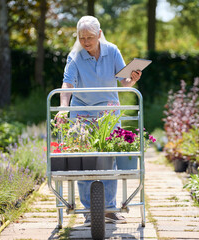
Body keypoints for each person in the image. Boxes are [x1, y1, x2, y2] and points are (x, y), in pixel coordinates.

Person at [57, 15, 142, 226]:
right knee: (84, 160)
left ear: (100, 35)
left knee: (109, 159)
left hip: (108, 112)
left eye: (90, 37)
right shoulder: (75, 56)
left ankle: (110, 209)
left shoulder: (112, 51)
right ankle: (89, 211)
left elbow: (124, 81)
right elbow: (67, 85)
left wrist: (133, 79)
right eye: (82, 37)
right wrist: (63, 109)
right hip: (82, 112)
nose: (86, 41)